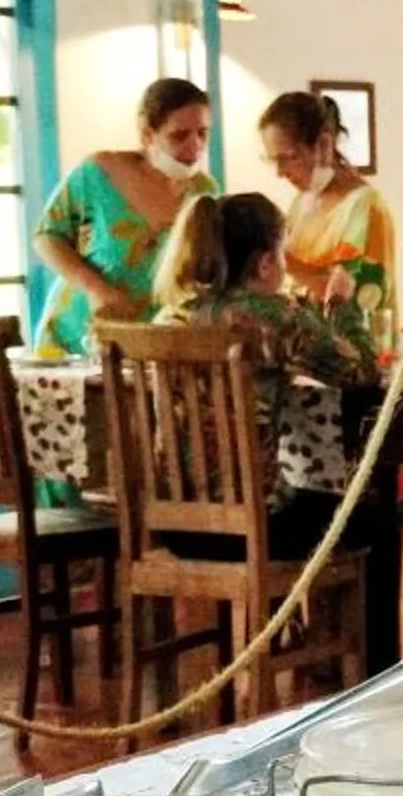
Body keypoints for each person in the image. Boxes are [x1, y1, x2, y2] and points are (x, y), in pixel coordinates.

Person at [152, 192, 377, 555]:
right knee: (374, 516)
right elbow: (363, 372)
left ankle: (284, 614)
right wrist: (343, 306)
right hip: (253, 526)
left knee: (311, 498)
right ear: (265, 264)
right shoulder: (274, 317)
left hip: (173, 527)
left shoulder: (173, 315)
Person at [32, 79, 214, 356]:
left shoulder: (205, 192)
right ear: (147, 133)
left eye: (203, 134)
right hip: (81, 330)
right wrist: (95, 288)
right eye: (178, 136)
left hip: (152, 342)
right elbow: (46, 236)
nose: (195, 147)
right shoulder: (99, 172)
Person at [258, 90, 397, 323]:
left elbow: (352, 298)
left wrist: (280, 257)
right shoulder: (302, 203)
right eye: (274, 160)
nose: (280, 172)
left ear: (324, 144)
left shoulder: (363, 205)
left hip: (352, 349)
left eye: (289, 157)